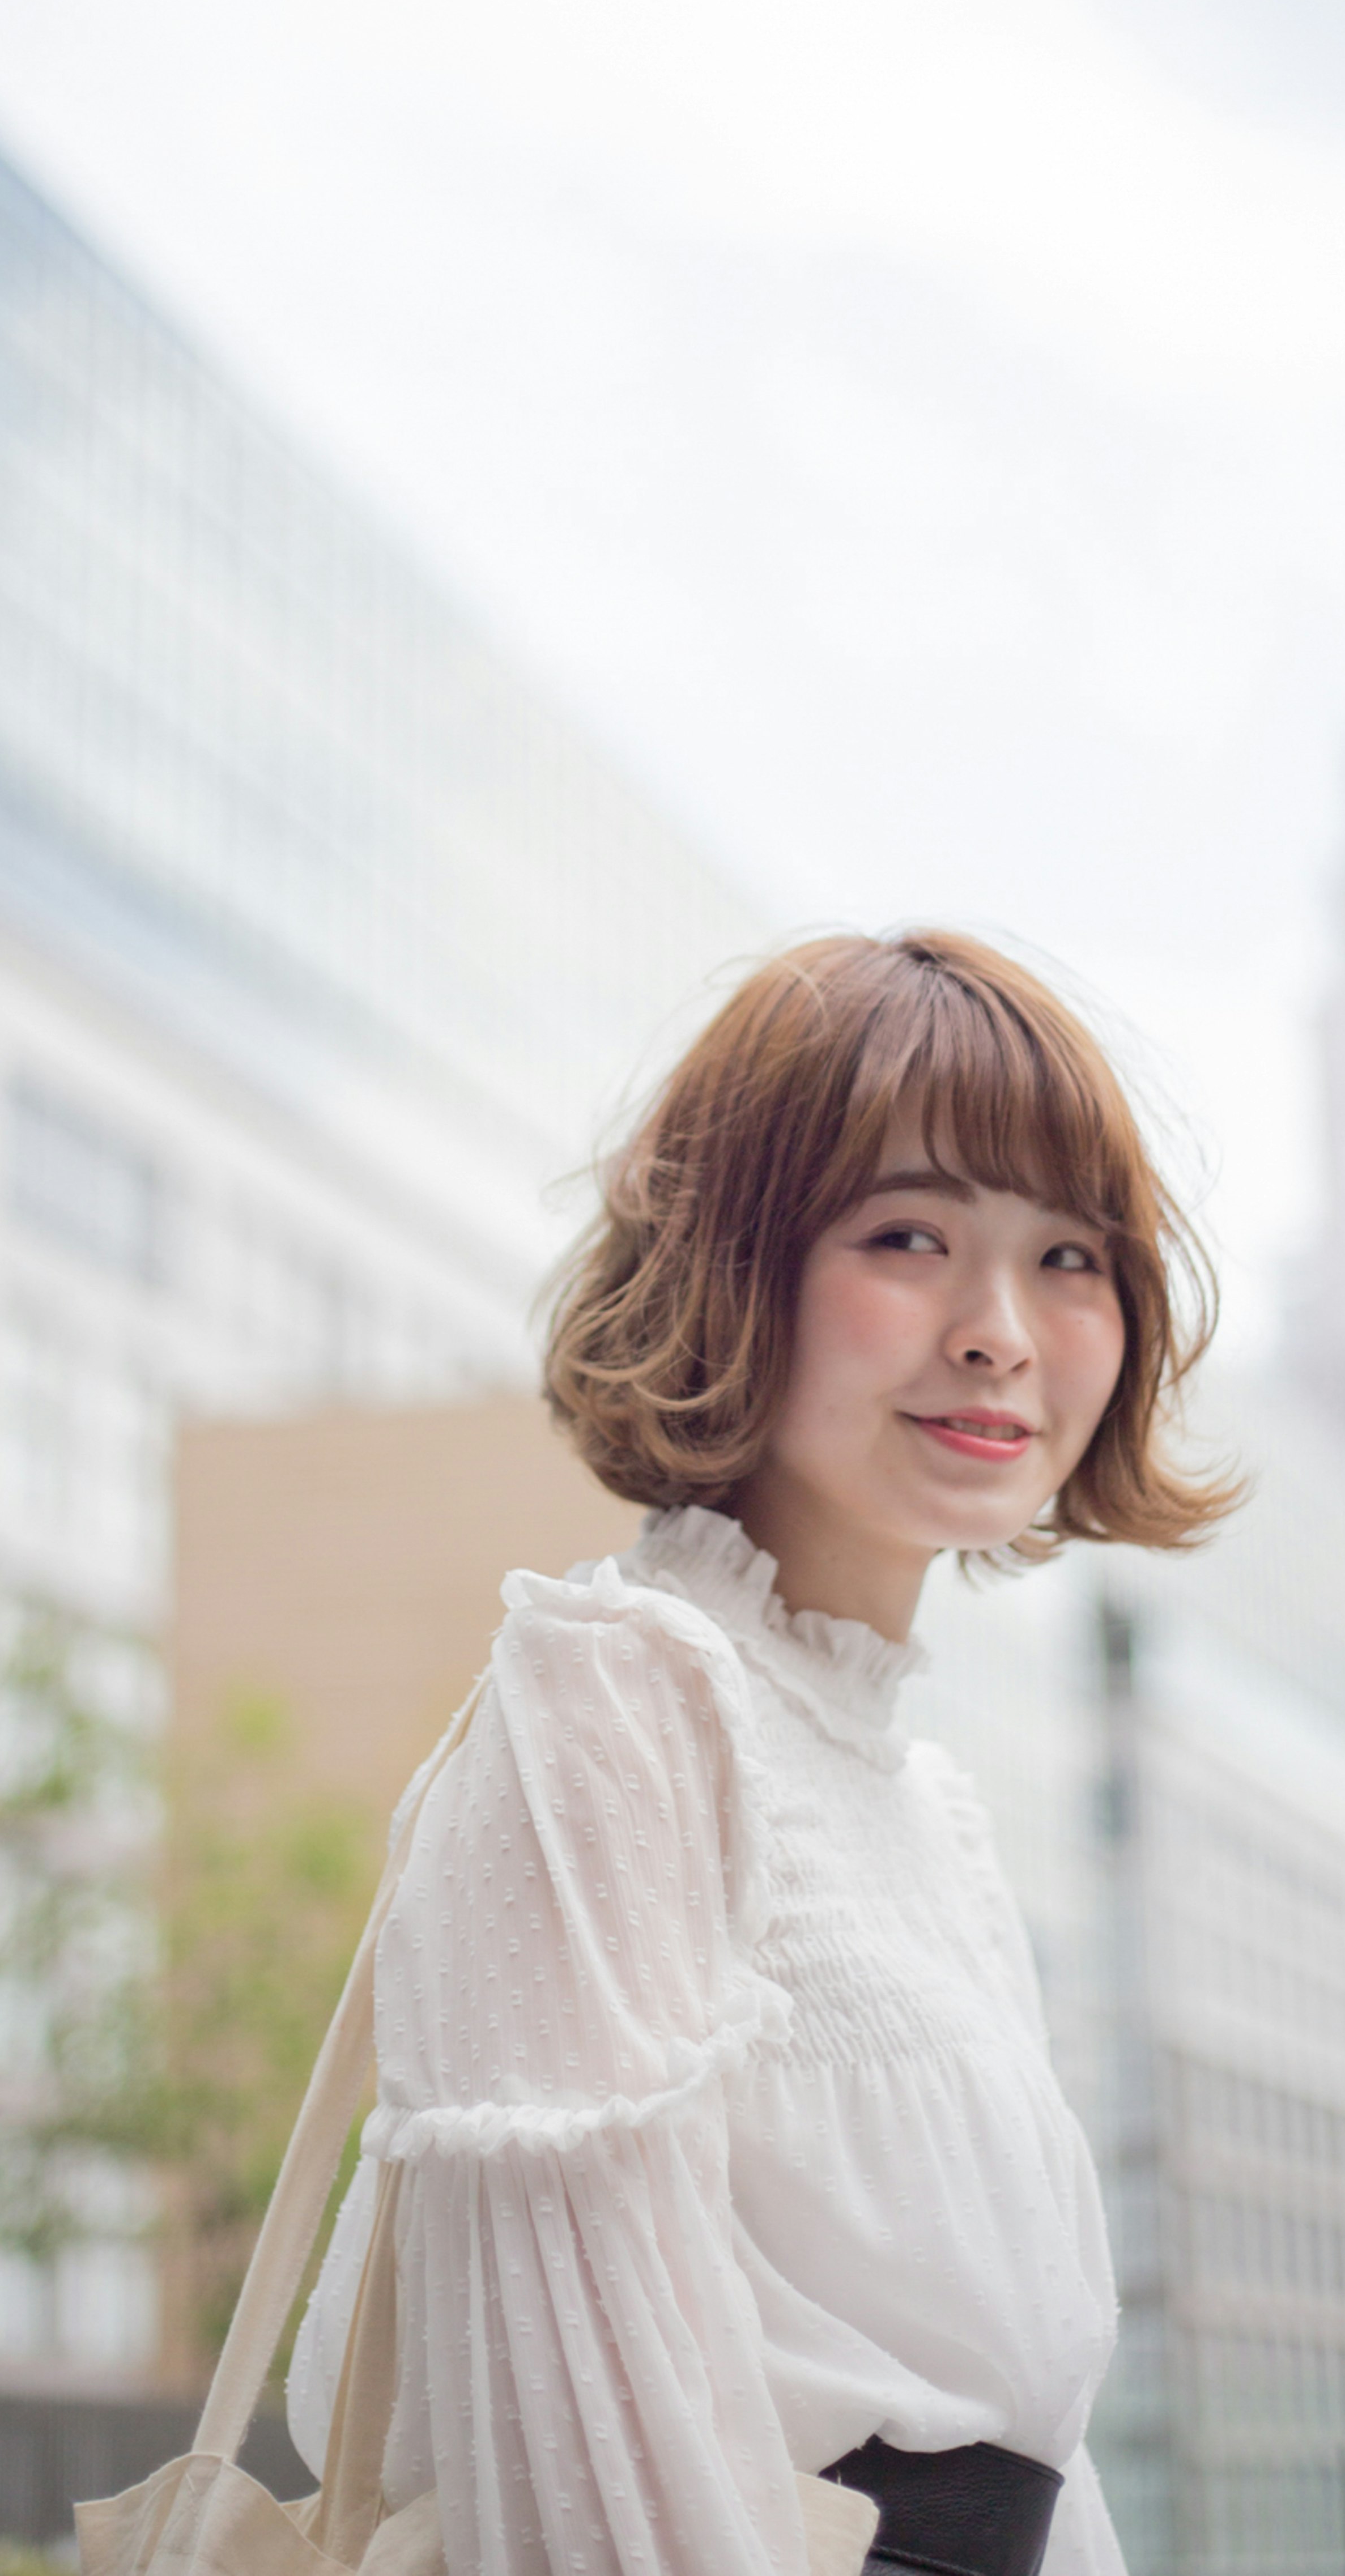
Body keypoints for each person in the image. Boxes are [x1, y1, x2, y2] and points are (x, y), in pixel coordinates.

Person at [287, 929, 1229, 2575]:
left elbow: (1040, 2449)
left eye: (1072, 1257)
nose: (1001, 1329)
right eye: (910, 1236)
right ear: (737, 1264)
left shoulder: (930, 1811)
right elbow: (576, 2466)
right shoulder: (617, 1698)